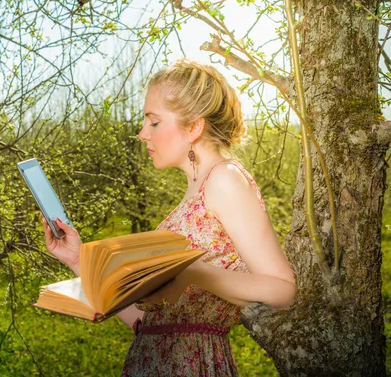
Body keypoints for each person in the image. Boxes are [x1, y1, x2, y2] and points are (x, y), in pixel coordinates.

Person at [41, 59, 296, 376]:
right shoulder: (192, 196)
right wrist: (78, 260)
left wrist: (191, 271)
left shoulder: (225, 179)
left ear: (194, 127)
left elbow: (282, 289)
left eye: (154, 122)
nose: (142, 134)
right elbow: (147, 324)